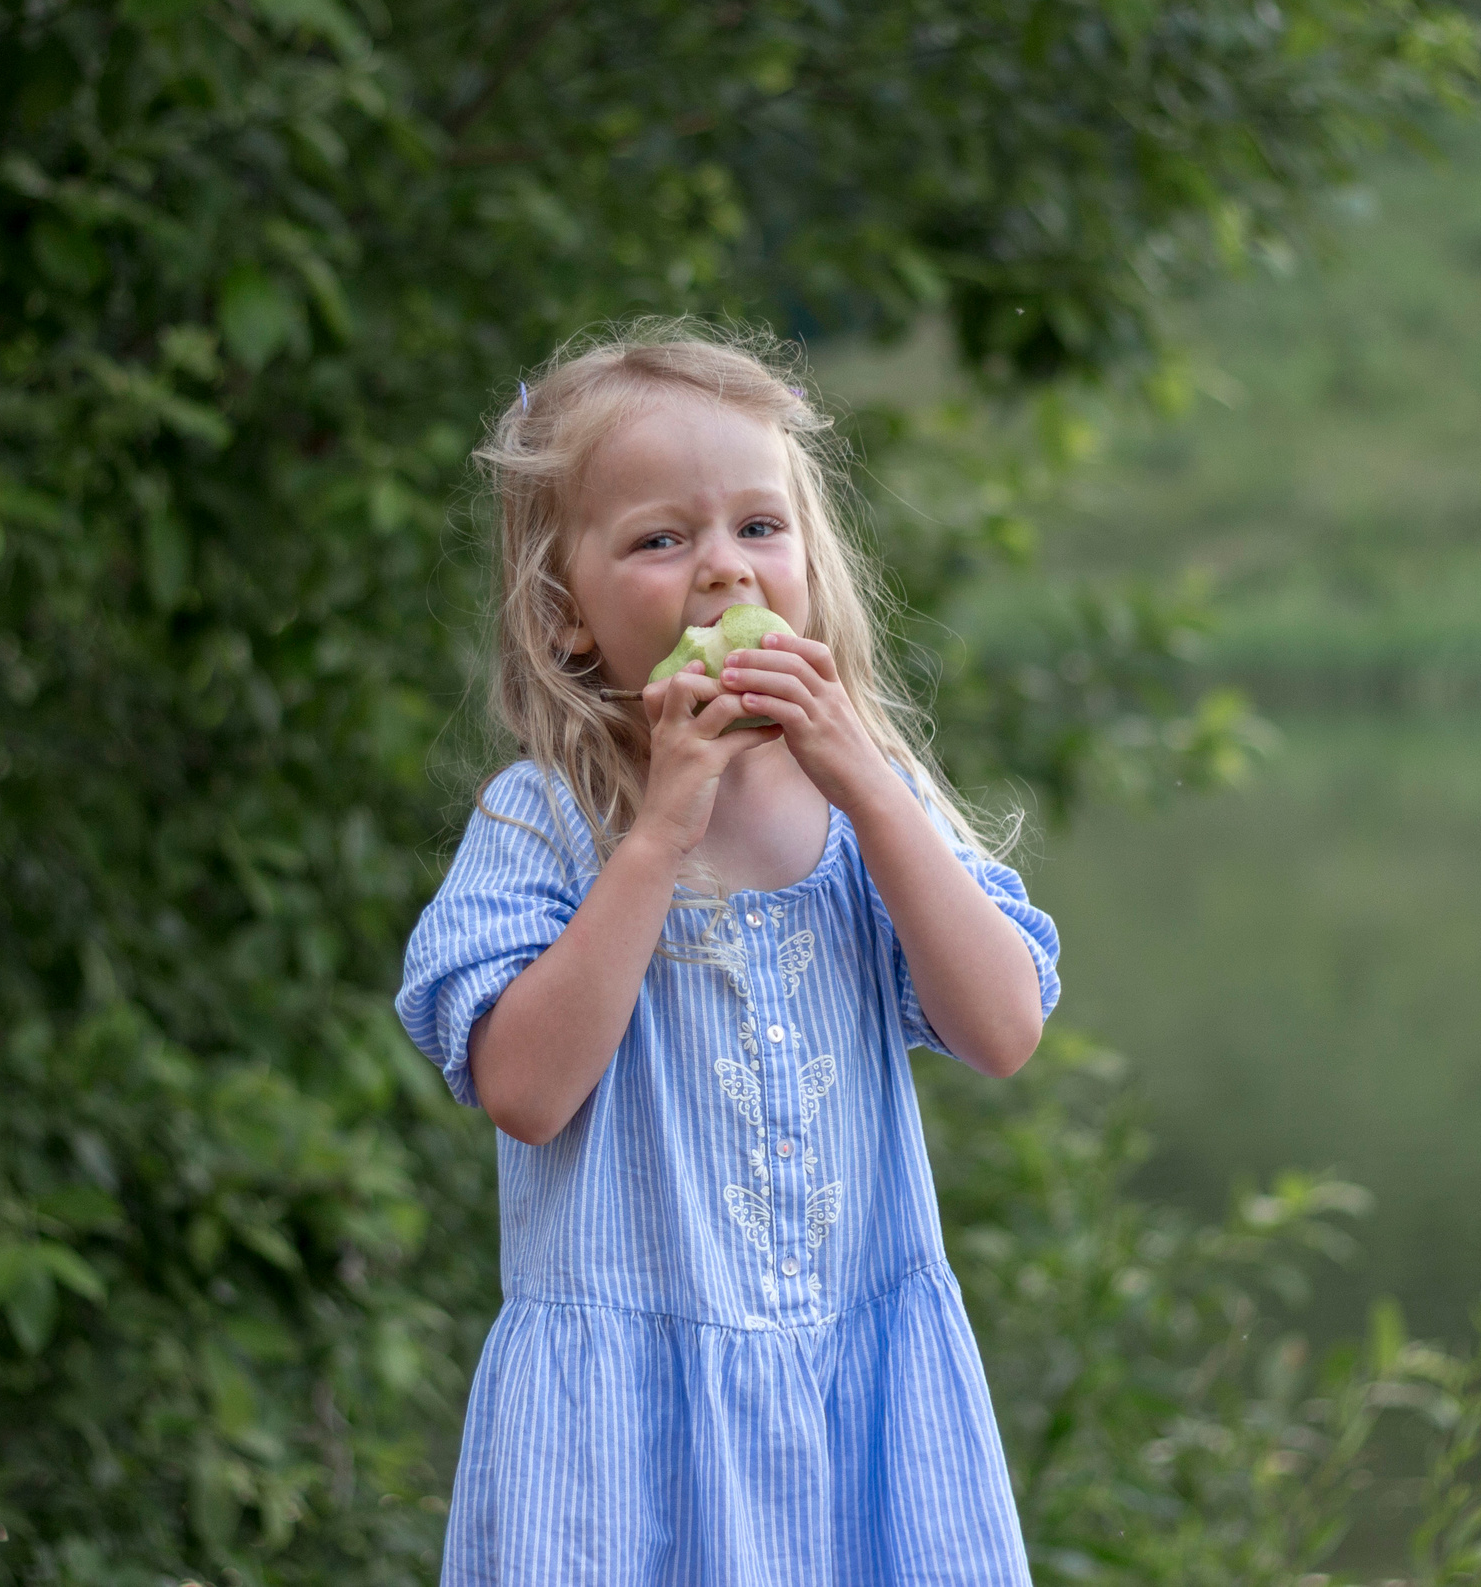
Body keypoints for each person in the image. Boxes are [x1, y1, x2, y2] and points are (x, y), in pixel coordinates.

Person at [395, 322, 1060, 1585]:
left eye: (760, 528)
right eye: (660, 539)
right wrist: (655, 838)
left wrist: (870, 789)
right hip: (623, 1445)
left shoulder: (874, 807)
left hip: (855, 1404)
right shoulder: (545, 820)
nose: (723, 574)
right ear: (565, 613)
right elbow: (524, 1095)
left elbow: (1003, 1029)